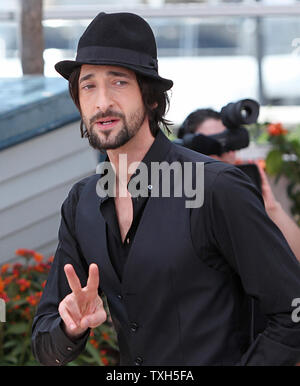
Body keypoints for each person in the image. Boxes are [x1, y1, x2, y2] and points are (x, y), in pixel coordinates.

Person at [32, 12, 300, 366]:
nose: (102, 102)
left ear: (153, 97)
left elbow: (292, 312)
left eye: (119, 82)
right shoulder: (81, 203)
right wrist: (70, 329)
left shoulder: (215, 187)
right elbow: (44, 342)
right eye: (88, 85)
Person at [179, 108, 300, 261]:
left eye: (229, 143)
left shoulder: (244, 189)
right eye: (211, 145)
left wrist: (271, 208)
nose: (225, 152)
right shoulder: (179, 204)